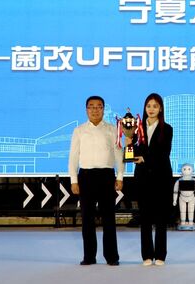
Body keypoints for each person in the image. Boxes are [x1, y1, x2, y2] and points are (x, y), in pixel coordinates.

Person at [68, 96, 124, 266]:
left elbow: (119, 154)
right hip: (86, 177)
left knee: (109, 218)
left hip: (106, 176)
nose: (95, 110)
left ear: (103, 109)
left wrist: (120, 176)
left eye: (98, 106)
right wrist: (74, 180)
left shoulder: (112, 129)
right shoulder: (79, 130)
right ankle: (89, 256)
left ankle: (112, 257)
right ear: (86, 109)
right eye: (91, 107)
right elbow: (73, 156)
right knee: (87, 219)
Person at [129, 92, 173, 266]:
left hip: (161, 177)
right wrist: (128, 142)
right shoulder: (137, 128)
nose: (151, 109)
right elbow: (132, 151)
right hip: (143, 178)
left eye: (155, 106)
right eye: (148, 106)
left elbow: (164, 153)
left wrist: (145, 159)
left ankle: (160, 255)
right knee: (145, 218)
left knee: (161, 218)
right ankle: (147, 255)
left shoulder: (167, 129)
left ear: (160, 108)